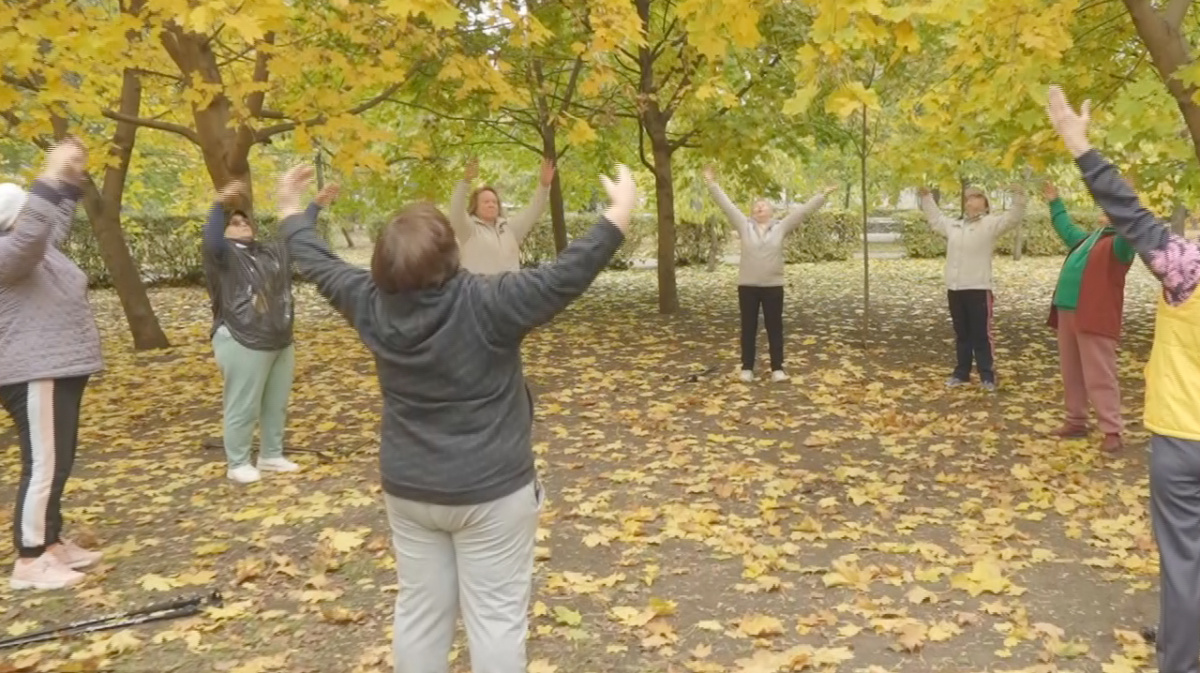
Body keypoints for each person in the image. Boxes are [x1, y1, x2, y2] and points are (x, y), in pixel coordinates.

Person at [276, 160, 635, 673]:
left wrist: (291, 209)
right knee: (494, 619)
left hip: (411, 489)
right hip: (490, 490)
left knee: (421, 614)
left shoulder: (367, 301)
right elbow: (563, 277)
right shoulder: (489, 302)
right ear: (452, 254)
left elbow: (316, 261)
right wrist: (619, 214)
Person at [1048, 84, 1200, 673]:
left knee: (1183, 557)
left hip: (1181, 439)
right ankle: (1178, 639)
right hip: (1178, 438)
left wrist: (1080, 146)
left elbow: (1130, 215)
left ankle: (1180, 658)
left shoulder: (1187, 267)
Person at [0, 138, 105, 590]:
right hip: (31, 370)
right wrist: (47, 175)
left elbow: (49, 223)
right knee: (43, 464)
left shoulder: (35, 247)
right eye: (28, 211)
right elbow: (32, 233)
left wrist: (70, 179)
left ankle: (51, 543)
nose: (36, 218)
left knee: (57, 461)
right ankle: (29, 561)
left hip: (57, 365)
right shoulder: (10, 253)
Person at [202, 180, 338, 484]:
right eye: (233, 223)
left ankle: (271, 455)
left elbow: (295, 236)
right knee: (243, 403)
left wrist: (315, 206)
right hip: (242, 338)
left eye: (244, 220)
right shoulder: (222, 255)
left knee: (275, 402)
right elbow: (211, 239)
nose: (241, 225)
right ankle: (237, 462)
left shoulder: (268, 252)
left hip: (279, 338)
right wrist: (219, 204)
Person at [703, 166, 835, 382]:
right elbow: (726, 205)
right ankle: (747, 368)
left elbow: (802, 212)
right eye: (756, 206)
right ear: (751, 212)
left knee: (775, 327)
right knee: (748, 327)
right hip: (748, 287)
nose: (759, 208)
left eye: (763, 206)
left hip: (773, 286)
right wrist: (711, 182)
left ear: (771, 211)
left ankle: (777, 369)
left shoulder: (780, 227)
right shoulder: (744, 225)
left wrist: (823, 195)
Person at [1042, 182, 1134, 453]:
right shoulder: (1090, 238)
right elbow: (1066, 229)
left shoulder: (1120, 243)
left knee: (1099, 374)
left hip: (1094, 315)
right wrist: (1055, 202)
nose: (1103, 210)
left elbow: (1130, 234)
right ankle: (1076, 421)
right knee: (1071, 371)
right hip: (1068, 312)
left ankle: (1112, 429)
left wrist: (1125, 203)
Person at [917, 182, 1028, 391]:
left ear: (985, 204)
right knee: (962, 333)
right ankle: (961, 373)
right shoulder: (955, 225)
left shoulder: (990, 224)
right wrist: (926, 198)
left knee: (981, 334)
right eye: (969, 199)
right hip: (955, 288)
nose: (971, 202)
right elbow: (936, 219)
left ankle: (987, 376)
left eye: (976, 198)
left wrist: (1019, 193)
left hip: (978, 288)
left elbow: (1014, 216)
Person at [448, 156, 555, 273]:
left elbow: (534, 210)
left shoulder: (510, 229)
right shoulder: (468, 230)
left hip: (510, 290)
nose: (491, 205)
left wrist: (544, 186)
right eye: (486, 202)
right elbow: (456, 210)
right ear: (475, 206)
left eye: (494, 202)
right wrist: (465, 182)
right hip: (479, 291)